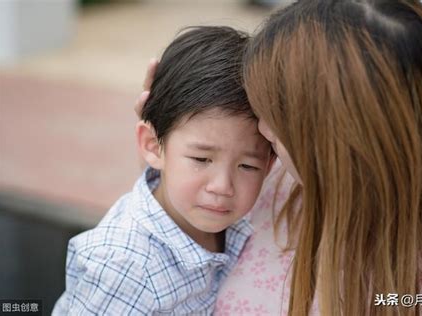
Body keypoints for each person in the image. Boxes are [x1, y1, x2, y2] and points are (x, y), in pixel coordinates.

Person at [133, 1, 422, 315]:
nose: (263, 129)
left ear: (339, 142)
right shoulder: (274, 176)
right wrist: (173, 148)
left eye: (281, 116)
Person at [53, 26, 274, 315]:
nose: (222, 186)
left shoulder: (229, 221)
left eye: (247, 166)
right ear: (153, 146)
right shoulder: (123, 268)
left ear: (271, 164)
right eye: (200, 159)